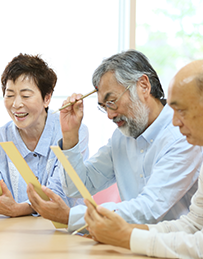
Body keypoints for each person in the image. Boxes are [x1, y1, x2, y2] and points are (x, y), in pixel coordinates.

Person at [27, 50, 202, 232]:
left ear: (143, 85)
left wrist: (70, 217)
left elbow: (149, 209)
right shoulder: (122, 136)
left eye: (112, 101)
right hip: (129, 244)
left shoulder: (183, 136)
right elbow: (79, 186)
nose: (110, 115)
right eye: (104, 107)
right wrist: (70, 136)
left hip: (174, 247)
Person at [84, 60, 203, 259]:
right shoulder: (121, 137)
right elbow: (193, 225)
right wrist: (124, 234)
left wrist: (127, 238)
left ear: (144, 87)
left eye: (181, 111)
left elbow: (199, 245)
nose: (175, 121)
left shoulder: (179, 141)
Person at [0, 53, 89, 217]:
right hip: (15, 235)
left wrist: (17, 210)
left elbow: (61, 196)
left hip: (65, 230)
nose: (16, 104)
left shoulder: (72, 132)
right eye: (9, 95)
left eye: (26, 95)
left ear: (46, 98)